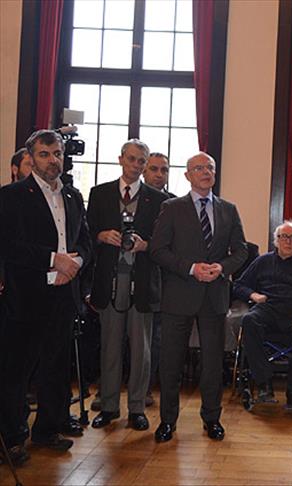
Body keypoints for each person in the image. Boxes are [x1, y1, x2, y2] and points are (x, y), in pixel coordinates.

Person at [0, 130, 91, 464]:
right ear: (31, 157)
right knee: (16, 371)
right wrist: (54, 259)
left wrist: (75, 263)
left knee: (55, 367)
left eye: (57, 153)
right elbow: (8, 245)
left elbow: (84, 241)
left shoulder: (73, 196)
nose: (53, 160)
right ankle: (12, 438)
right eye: (44, 154)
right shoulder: (12, 196)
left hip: (64, 294)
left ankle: (47, 429)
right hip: (26, 296)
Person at [150, 152, 248, 443]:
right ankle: (168, 421)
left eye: (210, 168)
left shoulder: (228, 209)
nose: (206, 172)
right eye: (199, 168)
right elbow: (157, 250)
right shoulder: (172, 208)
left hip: (214, 296)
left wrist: (222, 268)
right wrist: (191, 268)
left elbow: (241, 251)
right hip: (178, 295)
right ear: (187, 175)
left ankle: (212, 418)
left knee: (213, 363)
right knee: (171, 362)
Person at [86, 139, 168, 431]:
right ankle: (109, 406)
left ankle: (136, 408)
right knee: (109, 347)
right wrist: (100, 236)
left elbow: (165, 243)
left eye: (141, 161)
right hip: (109, 282)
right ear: (121, 159)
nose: (136, 165)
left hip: (142, 283)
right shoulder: (99, 193)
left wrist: (146, 245)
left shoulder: (158, 200)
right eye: (131, 159)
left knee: (141, 350)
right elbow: (85, 233)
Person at [233, 221, 292, 409]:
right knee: (249, 320)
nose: (288, 241)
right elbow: (239, 285)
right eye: (284, 236)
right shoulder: (263, 261)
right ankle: (264, 385)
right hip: (269, 310)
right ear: (276, 240)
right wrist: (253, 295)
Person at [141, 151, 174, 407]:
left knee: (156, 338)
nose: (159, 174)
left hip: (164, 281)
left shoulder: (175, 203)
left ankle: (146, 389)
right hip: (134, 276)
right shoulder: (133, 199)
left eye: (164, 170)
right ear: (144, 171)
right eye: (154, 169)